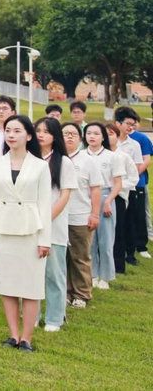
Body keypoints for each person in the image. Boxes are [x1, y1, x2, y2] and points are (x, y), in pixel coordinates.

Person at [0, 115, 52, 352]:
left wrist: (45, 240)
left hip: (31, 232)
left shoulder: (40, 166)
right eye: (8, 131)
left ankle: (26, 338)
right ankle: (13, 334)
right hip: (3, 230)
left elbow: (45, 204)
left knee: (31, 287)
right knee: (8, 285)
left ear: (29, 136)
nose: (11, 135)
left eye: (17, 131)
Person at [34, 117, 76, 333]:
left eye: (46, 131)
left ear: (55, 136)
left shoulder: (64, 162)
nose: (41, 135)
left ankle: (55, 317)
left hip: (53, 225)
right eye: (38, 130)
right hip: (29, 224)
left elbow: (64, 195)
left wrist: (45, 219)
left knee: (54, 273)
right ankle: (32, 315)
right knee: (31, 273)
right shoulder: (29, 158)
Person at [62, 122, 101, 308]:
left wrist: (95, 214)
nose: (69, 137)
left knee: (80, 257)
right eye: (65, 133)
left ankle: (82, 294)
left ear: (80, 138)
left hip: (80, 216)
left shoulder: (88, 160)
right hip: (58, 217)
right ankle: (65, 292)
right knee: (62, 258)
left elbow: (95, 189)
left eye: (73, 134)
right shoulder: (55, 158)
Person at [84, 122, 123, 289]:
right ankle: (92, 274)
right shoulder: (81, 155)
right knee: (90, 241)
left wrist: (108, 201)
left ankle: (105, 276)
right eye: (89, 133)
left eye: (96, 133)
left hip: (106, 197)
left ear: (103, 137)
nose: (92, 137)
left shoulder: (112, 156)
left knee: (106, 240)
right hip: (86, 199)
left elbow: (118, 183)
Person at [113, 107, 149, 265]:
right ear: (118, 123)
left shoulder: (134, 145)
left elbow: (137, 167)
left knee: (131, 221)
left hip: (129, 188)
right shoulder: (110, 142)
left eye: (133, 124)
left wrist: (123, 184)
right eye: (128, 123)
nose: (130, 127)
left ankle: (130, 253)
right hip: (111, 189)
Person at [105, 123, 136, 275]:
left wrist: (117, 187)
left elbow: (133, 178)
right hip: (99, 196)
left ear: (117, 137)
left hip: (118, 197)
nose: (107, 136)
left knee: (118, 231)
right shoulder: (96, 156)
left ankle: (118, 266)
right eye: (104, 133)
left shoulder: (124, 157)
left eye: (111, 133)